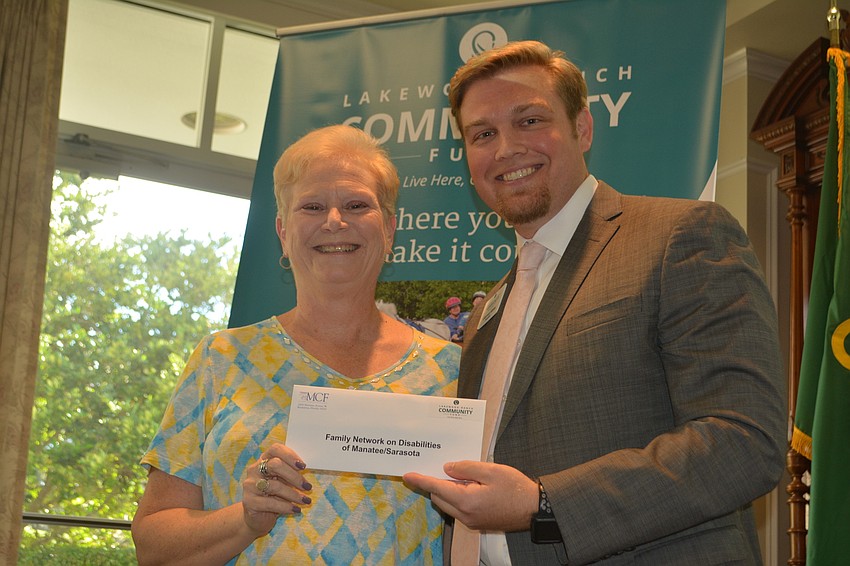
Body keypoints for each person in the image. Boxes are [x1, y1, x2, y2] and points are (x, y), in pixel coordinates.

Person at [403, 40, 785, 565]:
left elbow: (744, 441)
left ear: (582, 128)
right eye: (483, 134)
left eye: (530, 121)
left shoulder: (681, 235)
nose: (506, 148)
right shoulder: (494, 303)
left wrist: (543, 504)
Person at [132, 124, 461, 565]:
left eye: (356, 204)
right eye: (312, 206)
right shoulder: (220, 360)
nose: (334, 221)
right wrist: (246, 517)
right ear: (284, 233)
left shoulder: (454, 371)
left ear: (389, 230)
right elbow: (153, 548)